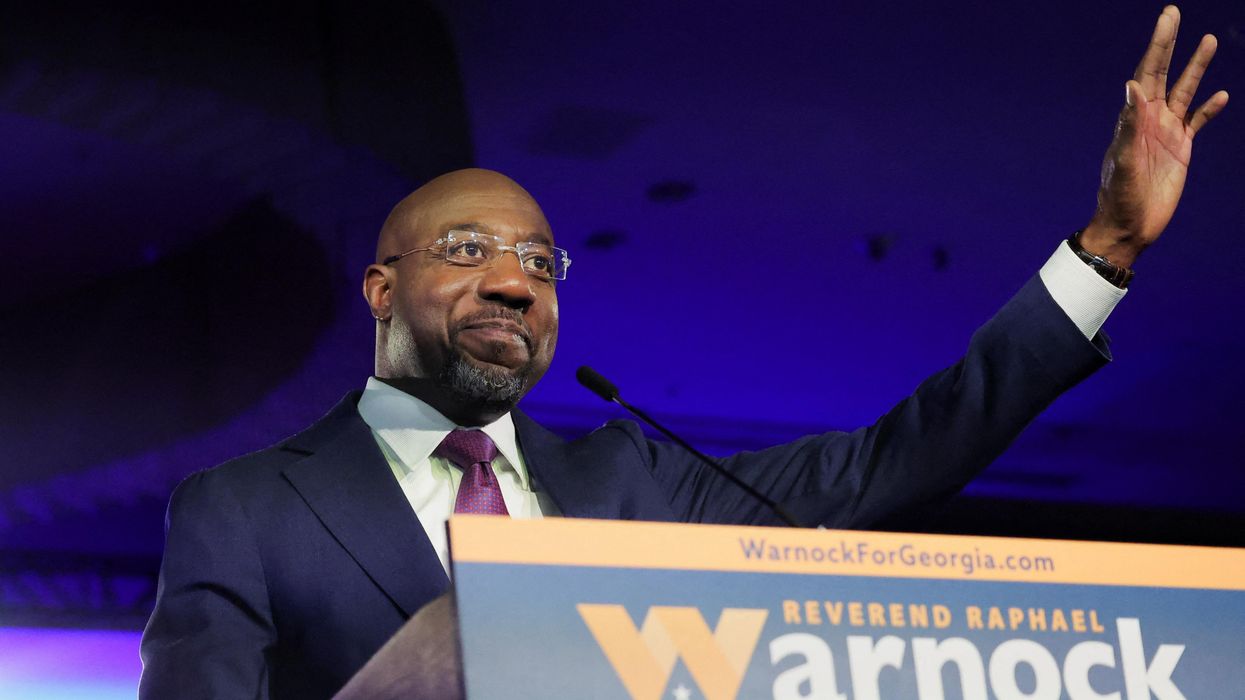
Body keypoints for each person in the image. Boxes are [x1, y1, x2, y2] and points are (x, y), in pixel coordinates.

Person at [139, 6, 1227, 699]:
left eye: (539, 260)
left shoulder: (633, 480)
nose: (516, 280)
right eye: (467, 250)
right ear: (381, 288)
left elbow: (893, 459)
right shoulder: (242, 510)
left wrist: (1107, 248)